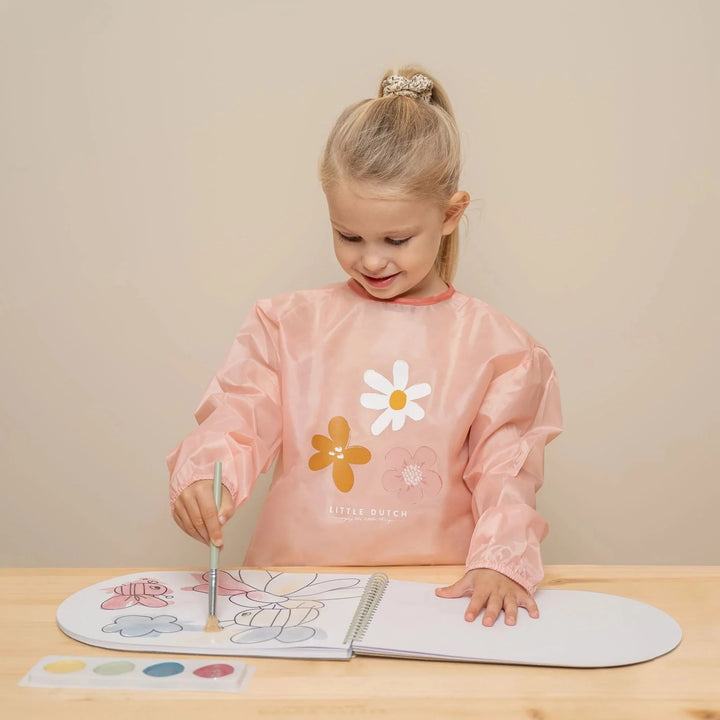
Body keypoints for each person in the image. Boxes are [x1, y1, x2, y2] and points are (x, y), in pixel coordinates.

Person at [167, 66, 563, 627]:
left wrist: (502, 559)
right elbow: (238, 416)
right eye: (348, 236)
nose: (371, 260)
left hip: (436, 597)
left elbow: (506, 470)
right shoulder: (286, 325)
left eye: (396, 239)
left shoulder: (498, 348)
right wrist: (207, 479)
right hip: (292, 592)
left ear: (450, 215)